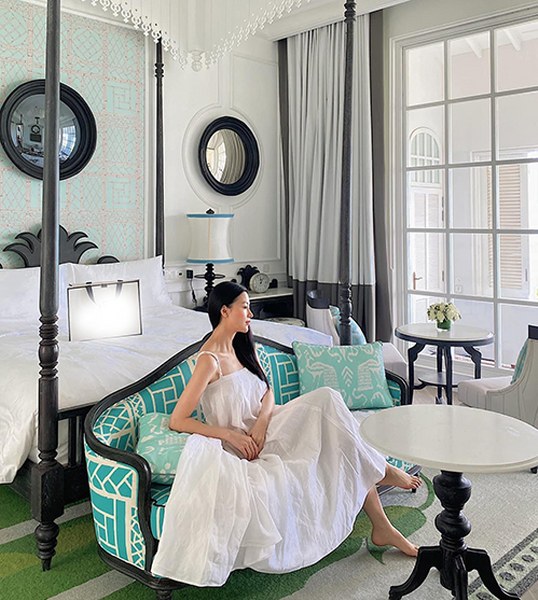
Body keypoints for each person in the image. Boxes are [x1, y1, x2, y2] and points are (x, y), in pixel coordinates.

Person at [152, 281, 421, 587]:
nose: (251, 314)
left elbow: (267, 392)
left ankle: (382, 516)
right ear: (224, 311)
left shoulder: (242, 345)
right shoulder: (209, 361)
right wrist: (229, 436)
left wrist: (262, 423)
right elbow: (178, 419)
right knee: (334, 424)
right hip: (245, 445)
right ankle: (382, 486)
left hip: (269, 425)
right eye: (245, 307)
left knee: (329, 405)